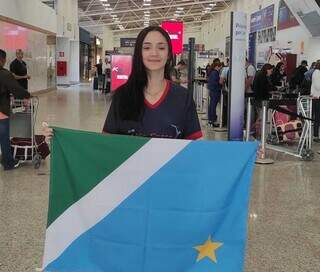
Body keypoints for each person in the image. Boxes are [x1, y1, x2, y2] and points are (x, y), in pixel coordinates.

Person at [44, 26, 202, 140]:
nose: (154, 53)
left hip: (170, 182)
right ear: (139, 54)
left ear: (169, 55)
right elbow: (106, 144)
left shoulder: (183, 98)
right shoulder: (123, 96)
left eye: (161, 48)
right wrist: (61, 138)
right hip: (131, 183)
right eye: (147, 48)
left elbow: (195, 148)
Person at [0, 49, 30, 170]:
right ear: (2, 60)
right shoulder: (4, 73)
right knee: (4, 138)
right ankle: (8, 163)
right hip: (1, 110)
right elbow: (16, 89)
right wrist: (27, 95)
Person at [207, 59, 222, 127]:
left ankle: (210, 120)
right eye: (220, 67)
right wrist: (221, 83)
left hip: (212, 91)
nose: (220, 69)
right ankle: (213, 121)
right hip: (215, 91)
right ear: (217, 67)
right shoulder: (215, 73)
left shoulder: (212, 72)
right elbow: (216, 83)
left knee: (211, 106)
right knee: (213, 106)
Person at [311, 61, 320, 142]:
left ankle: (316, 135)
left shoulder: (316, 72)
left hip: (316, 97)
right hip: (317, 98)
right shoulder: (317, 73)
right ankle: (316, 135)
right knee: (317, 117)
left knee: (317, 117)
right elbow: (318, 86)